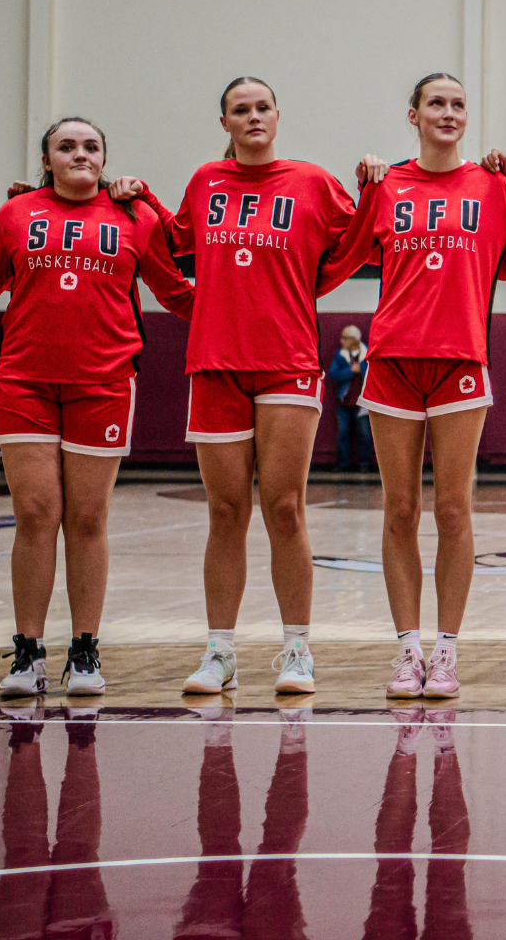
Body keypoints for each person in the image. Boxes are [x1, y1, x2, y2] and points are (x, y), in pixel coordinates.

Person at [117, 77, 382, 695]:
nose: (254, 116)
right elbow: (173, 240)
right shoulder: (206, 181)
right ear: (225, 122)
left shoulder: (313, 182)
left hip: (287, 358)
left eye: (263, 107)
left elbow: (360, 242)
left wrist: (374, 186)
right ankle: (220, 651)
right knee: (225, 511)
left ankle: (297, 650)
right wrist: (137, 196)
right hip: (214, 362)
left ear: (278, 116)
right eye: (241, 109)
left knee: (284, 508)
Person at [353, 72, 506, 700]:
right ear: (412, 116)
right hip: (392, 359)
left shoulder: (491, 185)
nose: (448, 113)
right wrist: (362, 184)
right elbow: (336, 254)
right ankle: (407, 650)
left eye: (458, 104)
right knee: (399, 510)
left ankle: (446, 651)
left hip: (461, 360)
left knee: (453, 508)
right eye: (436, 104)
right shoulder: (387, 185)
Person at [0, 117, 195, 700]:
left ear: (105, 159)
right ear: (45, 160)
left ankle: (85, 649)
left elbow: (175, 292)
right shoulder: (14, 216)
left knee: (89, 519)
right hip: (24, 381)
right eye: (65, 146)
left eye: (90, 146)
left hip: (102, 382)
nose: (80, 153)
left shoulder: (136, 218)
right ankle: (27, 652)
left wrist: (250, 307)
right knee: (36, 514)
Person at [327, 325, 370, 472]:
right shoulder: (340, 356)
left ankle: (364, 463)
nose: (341, 340)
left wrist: (361, 368)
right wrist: (351, 370)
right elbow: (333, 374)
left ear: (354, 339)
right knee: (343, 433)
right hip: (344, 401)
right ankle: (343, 463)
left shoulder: (368, 354)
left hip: (363, 402)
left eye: (345, 337)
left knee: (364, 433)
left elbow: (373, 373)